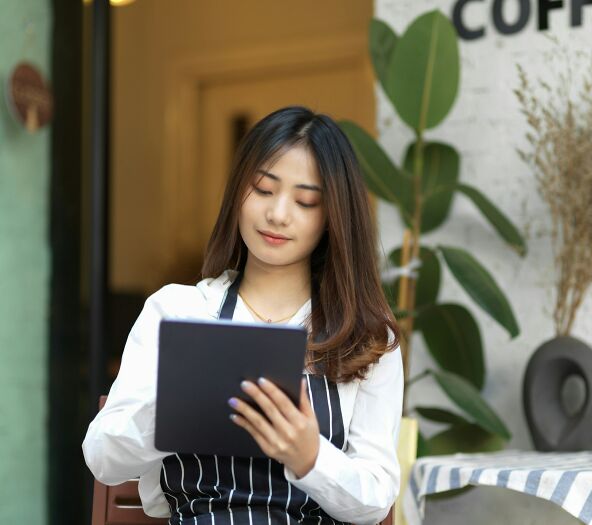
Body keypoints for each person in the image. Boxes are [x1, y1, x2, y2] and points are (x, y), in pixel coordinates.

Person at [82, 105, 404, 525]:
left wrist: (311, 458)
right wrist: (175, 409)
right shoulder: (177, 310)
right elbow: (102, 459)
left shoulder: (365, 338)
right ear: (238, 192)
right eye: (264, 189)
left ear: (332, 218)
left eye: (305, 201)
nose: (278, 214)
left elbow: (376, 498)